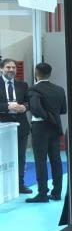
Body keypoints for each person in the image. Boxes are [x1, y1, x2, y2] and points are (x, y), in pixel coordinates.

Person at [26, 62, 67, 203]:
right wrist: (53, 118)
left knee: (40, 160)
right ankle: (57, 193)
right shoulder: (59, 89)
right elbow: (63, 110)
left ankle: (42, 193)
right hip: (55, 127)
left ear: (36, 73)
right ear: (50, 74)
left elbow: (36, 109)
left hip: (40, 128)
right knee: (56, 160)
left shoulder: (33, 90)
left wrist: (47, 117)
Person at [1, 57, 31, 194]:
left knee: (20, 156)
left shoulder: (22, 85)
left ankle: (20, 184)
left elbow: (28, 102)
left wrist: (25, 107)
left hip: (20, 126)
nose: (11, 70)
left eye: (13, 67)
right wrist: (8, 106)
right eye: (8, 67)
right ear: (1, 69)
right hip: (3, 127)